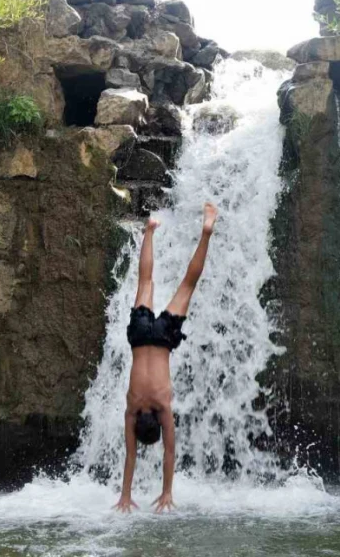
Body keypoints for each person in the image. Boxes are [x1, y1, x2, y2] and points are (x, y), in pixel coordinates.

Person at [112, 203, 218, 514]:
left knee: (188, 284)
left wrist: (167, 492)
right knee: (145, 283)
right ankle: (149, 230)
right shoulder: (131, 408)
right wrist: (125, 495)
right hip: (140, 337)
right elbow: (130, 457)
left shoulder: (162, 407)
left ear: (156, 424)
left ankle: (206, 232)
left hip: (163, 339)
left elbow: (169, 452)